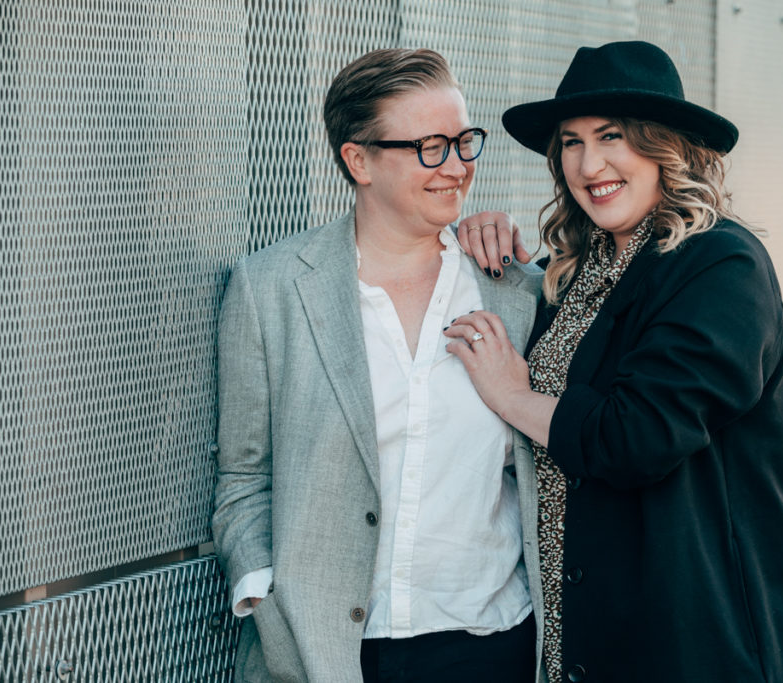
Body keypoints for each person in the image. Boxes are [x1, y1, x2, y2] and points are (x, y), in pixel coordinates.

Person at [445, 41, 783, 682]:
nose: (590, 164)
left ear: (665, 146)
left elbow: (639, 436)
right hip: (580, 631)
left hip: (690, 636)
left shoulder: (720, 264)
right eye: (571, 142)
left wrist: (512, 395)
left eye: (612, 136)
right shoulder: (578, 269)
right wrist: (477, 241)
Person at [212, 48, 544, 682]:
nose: (457, 167)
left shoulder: (517, 290)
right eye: (430, 147)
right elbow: (243, 474)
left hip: (493, 640)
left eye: (463, 141)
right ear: (358, 160)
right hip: (326, 653)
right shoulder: (271, 288)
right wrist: (264, 595)